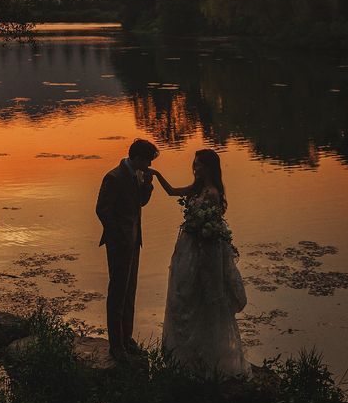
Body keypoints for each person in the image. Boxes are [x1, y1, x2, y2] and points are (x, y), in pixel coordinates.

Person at [149, 148, 250, 378]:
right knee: (183, 296)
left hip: (203, 250)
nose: (195, 168)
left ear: (209, 167)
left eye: (199, 165)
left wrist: (200, 232)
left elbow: (213, 227)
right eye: (194, 164)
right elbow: (172, 191)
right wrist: (156, 175)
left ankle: (207, 358)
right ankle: (185, 356)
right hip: (188, 249)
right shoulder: (197, 189)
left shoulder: (212, 193)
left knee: (204, 299)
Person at [96, 138, 158, 362]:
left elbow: (139, 203)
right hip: (120, 243)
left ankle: (127, 338)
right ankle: (116, 345)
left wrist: (148, 186)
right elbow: (102, 210)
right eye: (148, 160)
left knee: (130, 290)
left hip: (133, 241)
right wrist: (119, 235)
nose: (149, 164)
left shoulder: (137, 175)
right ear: (138, 157)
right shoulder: (113, 177)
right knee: (118, 293)